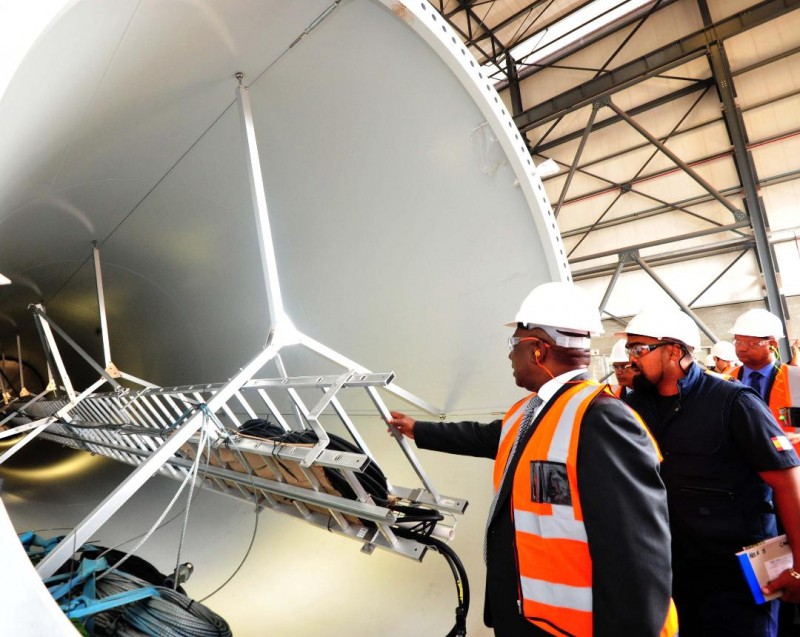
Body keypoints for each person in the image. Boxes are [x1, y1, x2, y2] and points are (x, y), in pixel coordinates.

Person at [387, 282, 677, 637]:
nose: (510, 355)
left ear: (538, 349)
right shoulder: (529, 412)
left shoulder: (602, 418)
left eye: (515, 344)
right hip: (526, 615)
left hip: (573, 628)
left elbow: (638, 553)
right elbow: (484, 436)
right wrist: (418, 429)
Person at [619, 308, 800, 637]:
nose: (631, 360)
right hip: (670, 576)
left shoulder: (733, 403)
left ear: (674, 351)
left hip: (736, 582)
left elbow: (788, 483)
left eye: (638, 350)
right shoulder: (632, 409)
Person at [728, 308, 800, 447]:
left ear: (772, 345)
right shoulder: (726, 379)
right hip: (739, 463)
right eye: (737, 341)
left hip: (788, 461)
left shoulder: (795, 379)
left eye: (750, 343)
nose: (741, 348)